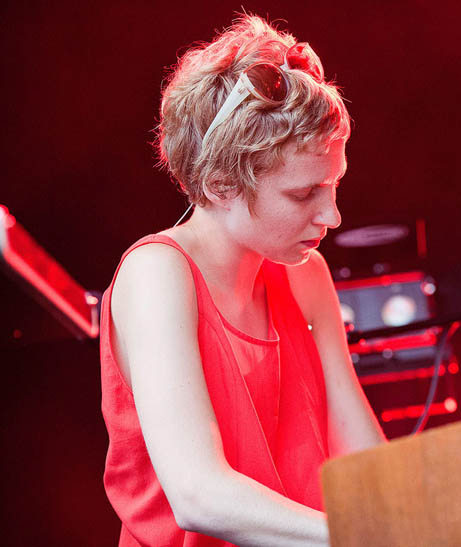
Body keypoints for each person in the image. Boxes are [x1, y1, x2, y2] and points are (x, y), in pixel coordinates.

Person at [99, 15, 386, 546]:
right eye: (304, 195)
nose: (333, 216)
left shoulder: (307, 276)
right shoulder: (157, 273)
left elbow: (367, 467)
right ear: (221, 184)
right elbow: (198, 494)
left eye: (335, 185)